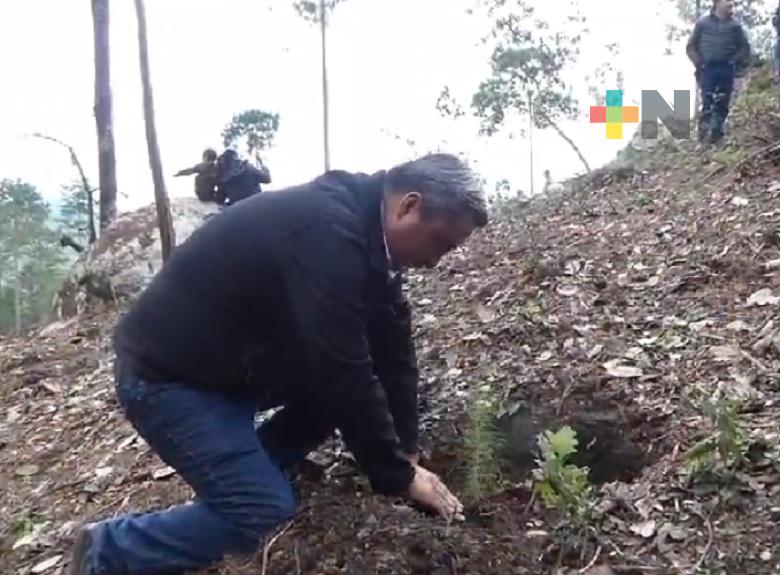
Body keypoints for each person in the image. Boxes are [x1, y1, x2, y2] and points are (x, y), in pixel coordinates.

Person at [67, 153, 486, 575]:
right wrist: (396, 475)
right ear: (408, 206)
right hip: (169, 380)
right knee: (263, 515)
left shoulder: (369, 232)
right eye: (440, 243)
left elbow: (394, 354)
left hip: (233, 368)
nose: (436, 261)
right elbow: (344, 369)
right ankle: (106, 550)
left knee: (338, 398)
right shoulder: (327, 231)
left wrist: (405, 451)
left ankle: (252, 470)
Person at [686, 0, 750, 144]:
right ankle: (702, 138)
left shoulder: (735, 26)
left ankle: (717, 136)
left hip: (726, 69)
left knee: (723, 101)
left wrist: (734, 61)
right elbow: (690, 46)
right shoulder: (703, 24)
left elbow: (745, 47)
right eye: (727, 1)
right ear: (717, 3)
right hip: (707, 69)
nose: (731, 4)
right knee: (707, 101)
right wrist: (699, 63)